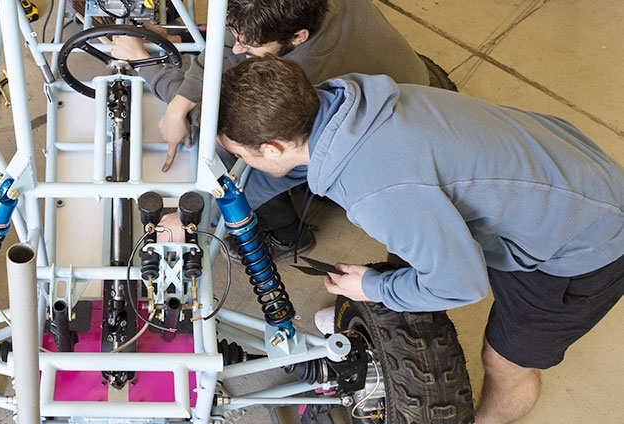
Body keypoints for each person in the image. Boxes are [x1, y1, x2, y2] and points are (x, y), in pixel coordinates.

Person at [217, 55, 624, 423]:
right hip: (563, 168)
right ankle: (382, 320)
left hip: (582, 244)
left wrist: (371, 285)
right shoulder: (345, 106)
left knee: (504, 362)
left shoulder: (378, 190)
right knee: (407, 244)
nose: (243, 164)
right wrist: (209, 208)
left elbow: (461, 285)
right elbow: (292, 168)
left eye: (242, 155)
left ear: (271, 147)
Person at [112, 0, 436, 260]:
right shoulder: (289, 16)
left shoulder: (306, 74)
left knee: (235, 150)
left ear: (297, 39)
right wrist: (179, 102)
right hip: (411, 83)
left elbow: (219, 118)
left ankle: (288, 235)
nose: (238, 49)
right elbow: (233, 42)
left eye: (250, 45)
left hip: (382, 138)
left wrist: (146, 65)